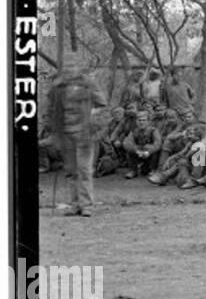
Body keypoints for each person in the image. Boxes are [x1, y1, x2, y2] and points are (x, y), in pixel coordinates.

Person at [44, 52, 109, 216]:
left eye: (73, 65)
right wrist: (51, 127)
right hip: (65, 135)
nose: (69, 69)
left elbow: (102, 104)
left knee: (85, 171)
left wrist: (92, 121)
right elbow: (50, 109)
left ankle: (87, 205)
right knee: (71, 171)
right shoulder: (58, 87)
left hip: (84, 135)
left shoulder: (88, 84)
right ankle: (74, 204)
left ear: (79, 67)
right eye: (66, 66)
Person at [122, 109, 163, 179]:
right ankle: (133, 170)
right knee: (130, 151)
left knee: (155, 151)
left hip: (150, 154)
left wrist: (148, 152)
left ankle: (152, 170)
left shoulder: (154, 130)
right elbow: (126, 143)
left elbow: (158, 144)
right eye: (139, 120)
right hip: (139, 153)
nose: (141, 122)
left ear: (148, 122)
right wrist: (136, 150)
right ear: (136, 121)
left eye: (144, 120)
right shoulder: (134, 131)